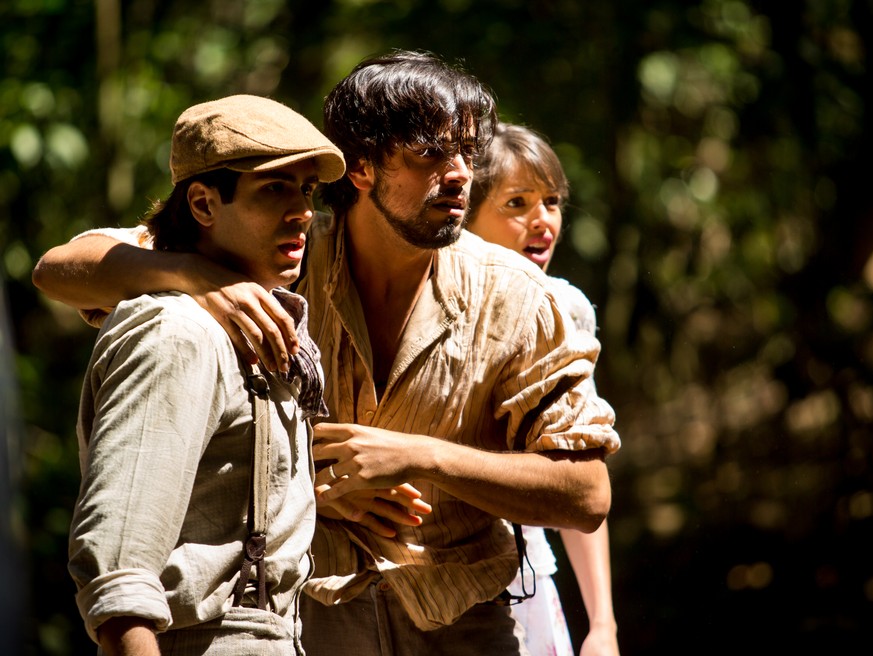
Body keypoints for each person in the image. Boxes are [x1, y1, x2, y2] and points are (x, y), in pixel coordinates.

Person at [33, 50, 620, 656]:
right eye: (429, 154)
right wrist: (190, 275)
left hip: (465, 624)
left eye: (467, 154)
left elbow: (587, 494)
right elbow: (58, 270)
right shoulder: (280, 251)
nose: (459, 175)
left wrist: (421, 457)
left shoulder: (518, 297)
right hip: (308, 623)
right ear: (361, 168)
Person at [59, 94, 346, 655]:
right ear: (203, 204)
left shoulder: (253, 323)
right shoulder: (177, 333)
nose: (302, 211)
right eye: (274, 189)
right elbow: (119, 583)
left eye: (307, 190)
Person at [467, 123, 620, 656]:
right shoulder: (428, 305)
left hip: (528, 578)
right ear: (465, 215)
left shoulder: (566, 310)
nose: (543, 221)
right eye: (517, 203)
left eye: (551, 202)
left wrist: (602, 625)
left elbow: (577, 471)